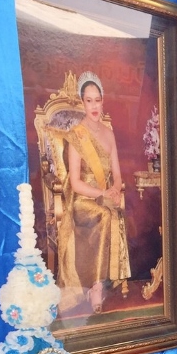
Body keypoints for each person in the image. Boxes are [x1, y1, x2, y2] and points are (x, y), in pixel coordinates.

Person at [59, 70, 130, 313]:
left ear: (103, 101)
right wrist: (101, 194)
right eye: (89, 101)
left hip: (104, 196)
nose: (94, 106)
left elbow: (117, 174)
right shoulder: (77, 136)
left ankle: (102, 282)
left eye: (97, 100)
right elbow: (75, 183)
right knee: (105, 214)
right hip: (83, 200)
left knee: (113, 211)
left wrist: (115, 189)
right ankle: (95, 287)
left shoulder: (109, 134)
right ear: (82, 103)